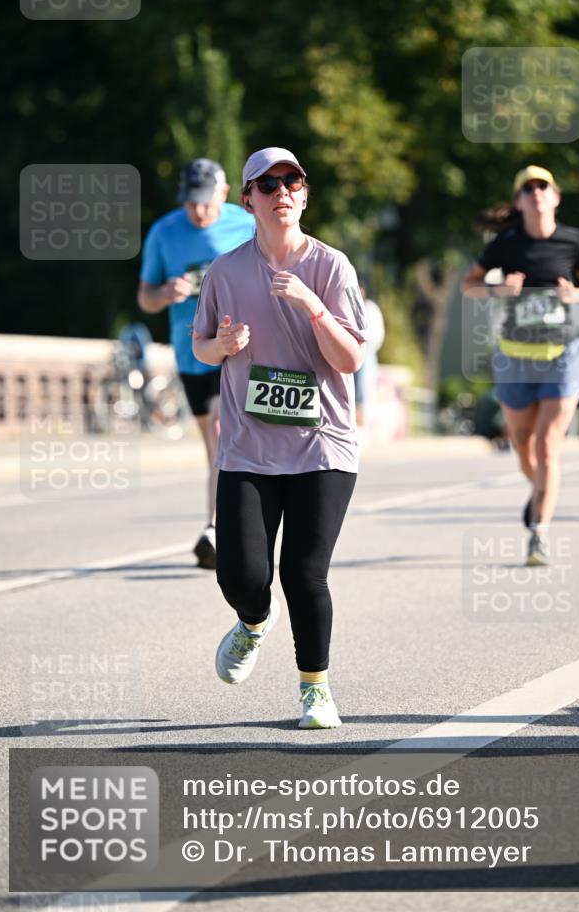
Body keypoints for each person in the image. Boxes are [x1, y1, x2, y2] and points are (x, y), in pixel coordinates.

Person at [192, 147, 368, 729]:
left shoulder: (332, 267)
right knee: (241, 576)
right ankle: (252, 622)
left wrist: (313, 307)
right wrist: (223, 346)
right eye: (267, 185)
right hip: (248, 447)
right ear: (248, 201)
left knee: (303, 572)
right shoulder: (225, 272)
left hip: (323, 445)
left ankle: (315, 689)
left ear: (305, 195)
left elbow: (350, 360)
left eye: (292, 182)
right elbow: (200, 346)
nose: (282, 192)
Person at [460, 165, 579, 565]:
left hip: (562, 356)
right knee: (525, 450)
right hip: (515, 357)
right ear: (519, 201)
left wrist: (575, 295)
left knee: (547, 445)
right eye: (528, 188)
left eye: (543, 186)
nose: (536, 192)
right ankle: (541, 489)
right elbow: (468, 285)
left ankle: (539, 533)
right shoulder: (506, 244)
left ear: (555, 197)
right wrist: (498, 289)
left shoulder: (573, 240)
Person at [138, 159, 255, 568]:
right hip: (189, 354)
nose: (199, 211)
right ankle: (225, 527)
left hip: (235, 349)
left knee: (223, 430)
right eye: (191, 202)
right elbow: (145, 298)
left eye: (206, 202)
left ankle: (216, 528)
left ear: (224, 193)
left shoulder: (247, 224)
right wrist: (165, 293)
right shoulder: (164, 232)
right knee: (214, 447)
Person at [353, 282, 385, 431]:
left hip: (367, 354)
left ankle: (361, 419)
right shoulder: (350, 307)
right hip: (352, 352)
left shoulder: (370, 308)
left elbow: (376, 334)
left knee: (363, 388)